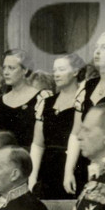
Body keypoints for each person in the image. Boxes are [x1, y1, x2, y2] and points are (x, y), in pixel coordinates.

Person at [64, 29, 105, 196]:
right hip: (85, 163)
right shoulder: (86, 86)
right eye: (96, 47)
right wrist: (68, 170)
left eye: (104, 47)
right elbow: (76, 132)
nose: (97, 51)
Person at [31, 54, 84, 199]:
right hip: (48, 168)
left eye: (61, 69)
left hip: (76, 166)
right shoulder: (46, 103)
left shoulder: (83, 99)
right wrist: (32, 176)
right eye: (54, 70)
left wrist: (70, 171)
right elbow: (38, 144)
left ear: (75, 72)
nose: (56, 74)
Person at [0, 49, 49, 149]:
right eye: (4, 68)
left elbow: (39, 144)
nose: (5, 72)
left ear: (25, 70)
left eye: (11, 68)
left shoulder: (41, 98)